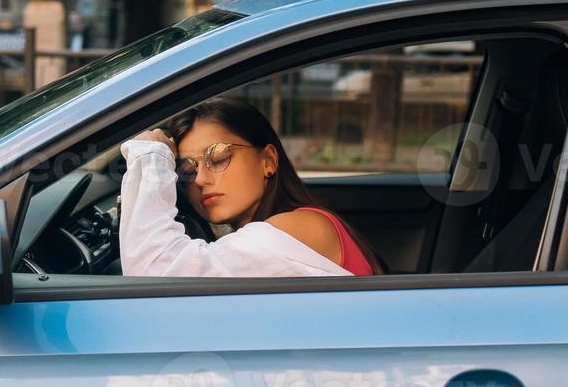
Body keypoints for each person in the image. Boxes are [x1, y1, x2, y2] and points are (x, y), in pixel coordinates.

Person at [119, 97, 383, 278]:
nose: (199, 180)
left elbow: (155, 273)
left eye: (219, 157)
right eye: (187, 171)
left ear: (268, 161)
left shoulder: (301, 227)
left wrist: (151, 156)